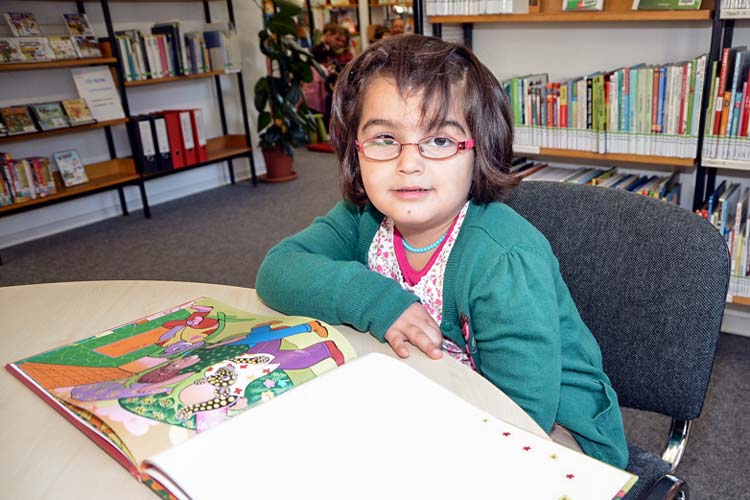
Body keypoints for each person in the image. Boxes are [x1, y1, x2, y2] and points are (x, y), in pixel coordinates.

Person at [256, 35, 629, 469]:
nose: (408, 163)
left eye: (438, 141)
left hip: (557, 437)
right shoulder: (363, 216)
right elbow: (278, 269)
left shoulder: (504, 260)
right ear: (355, 152)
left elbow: (522, 418)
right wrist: (380, 302)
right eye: (383, 138)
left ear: (479, 149)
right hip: (433, 395)